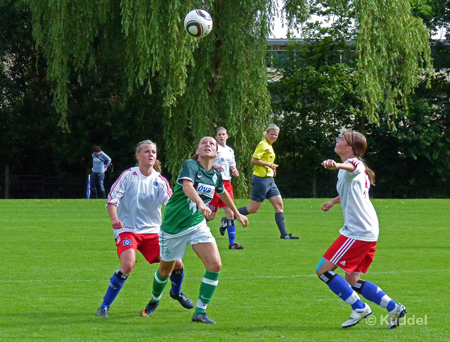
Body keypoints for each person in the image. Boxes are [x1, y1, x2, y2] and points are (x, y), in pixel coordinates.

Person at [140, 136, 249, 324]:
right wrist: (200, 203)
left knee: (215, 265)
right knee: (165, 271)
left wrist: (237, 214)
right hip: (173, 228)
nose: (208, 145)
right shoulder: (190, 165)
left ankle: (200, 312)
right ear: (198, 151)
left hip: (197, 225)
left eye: (212, 144)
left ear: (216, 153)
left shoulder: (215, 174)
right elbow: (187, 186)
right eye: (203, 143)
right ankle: (154, 300)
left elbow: (222, 192)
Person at [317, 130, 407, 329]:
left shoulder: (355, 164)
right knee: (353, 280)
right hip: (367, 230)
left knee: (323, 271)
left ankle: (359, 308)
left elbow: (351, 166)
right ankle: (394, 308)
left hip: (358, 232)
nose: (337, 140)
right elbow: (352, 192)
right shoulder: (352, 168)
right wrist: (333, 201)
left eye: (341, 139)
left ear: (350, 148)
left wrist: (336, 164)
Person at [96, 140, 193, 317]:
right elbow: (112, 200)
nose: (150, 154)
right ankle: (104, 306)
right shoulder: (128, 175)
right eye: (146, 151)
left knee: (177, 263)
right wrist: (115, 218)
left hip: (153, 232)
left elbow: (171, 204)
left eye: (153, 152)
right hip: (128, 230)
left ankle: (176, 293)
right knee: (127, 264)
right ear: (138, 156)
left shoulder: (160, 181)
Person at [236, 124, 298, 239]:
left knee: (279, 205)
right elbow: (254, 160)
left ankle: (284, 235)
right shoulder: (263, 144)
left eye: (276, 135)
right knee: (253, 209)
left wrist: (271, 169)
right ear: (266, 134)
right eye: (272, 134)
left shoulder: (269, 145)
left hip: (269, 180)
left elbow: (265, 160)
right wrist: (270, 165)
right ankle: (228, 218)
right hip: (261, 180)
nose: (274, 136)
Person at [206, 127, 243, 250]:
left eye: (223, 134)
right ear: (216, 137)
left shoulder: (230, 150)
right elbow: (205, 162)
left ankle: (232, 243)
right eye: (219, 135)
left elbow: (232, 163)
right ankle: (190, 229)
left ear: (227, 136)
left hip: (226, 183)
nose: (221, 136)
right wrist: (214, 165)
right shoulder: (213, 149)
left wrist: (234, 170)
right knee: (210, 215)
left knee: (230, 213)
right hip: (215, 183)